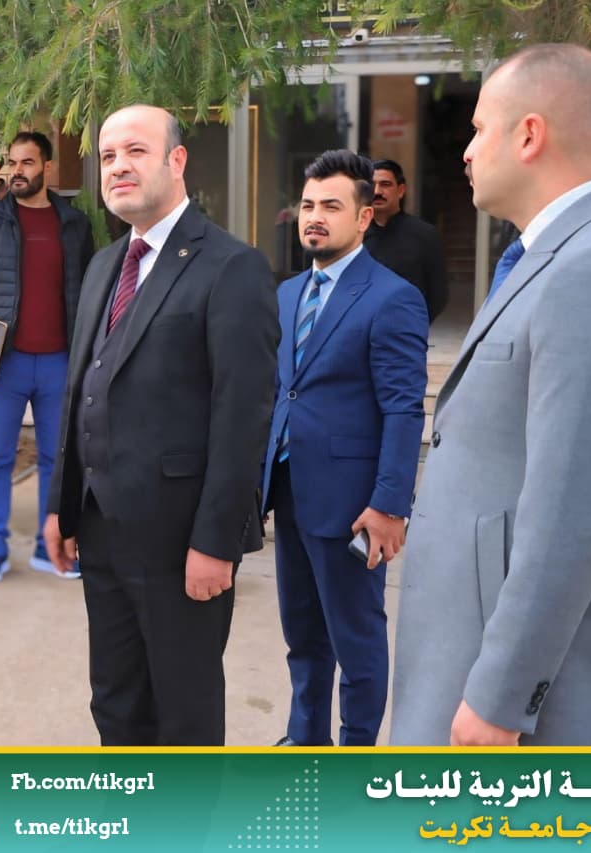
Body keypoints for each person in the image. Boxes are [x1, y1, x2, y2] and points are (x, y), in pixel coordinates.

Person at [391, 44, 591, 746]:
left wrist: (502, 696)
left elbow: (574, 515)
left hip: (543, 708)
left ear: (529, 135)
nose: (466, 151)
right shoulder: (557, 258)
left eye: (478, 129)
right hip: (479, 660)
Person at [42, 105, 279, 745]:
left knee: (183, 716)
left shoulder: (230, 266)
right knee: (116, 706)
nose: (118, 166)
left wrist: (217, 543)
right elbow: (81, 391)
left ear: (177, 161)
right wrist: (62, 505)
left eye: (135, 151)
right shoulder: (103, 266)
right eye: (107, 156)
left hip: (182, 543)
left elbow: (243, 418)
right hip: (101, 531)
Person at [260, 150, 429, 747]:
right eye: (308, 205)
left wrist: (389, 505)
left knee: (355, 639)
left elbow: (403, 409)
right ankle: (305, 739)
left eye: (331, 206)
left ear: (363, 218)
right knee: (303, 634)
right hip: (290, 491)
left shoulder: (392, 297)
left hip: (354, 505)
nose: (315, 217)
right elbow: (284, 391)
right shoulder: (287, 294)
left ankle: (356, 755)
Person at [0, 130, 94, 583]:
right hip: (5, 361)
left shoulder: (74, 225)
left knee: (57, 459)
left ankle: (47, 547)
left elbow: (89, 294)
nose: (16, 171)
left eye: (27, 163)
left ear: (47, 168)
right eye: (11, 163)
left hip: (60, 362)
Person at [365, 159, 449, 322]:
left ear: (401, 190)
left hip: (406, 328)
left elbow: (438, 294)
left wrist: (414, 325)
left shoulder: (425, 235)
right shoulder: (355, 235)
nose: (377, 191)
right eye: (372, 185)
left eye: (385, 184)